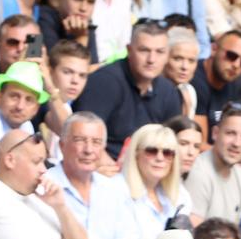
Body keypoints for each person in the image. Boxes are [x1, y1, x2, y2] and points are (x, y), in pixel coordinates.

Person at [75, 21, 181, 158]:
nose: (151, 59)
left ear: (167, 56)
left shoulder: (168, 91)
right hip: (102, 165)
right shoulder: (105, 81)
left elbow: (173, 143)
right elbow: (83, 137)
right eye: (144, 50)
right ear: (129, 50)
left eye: (160, 52)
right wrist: (111, 166)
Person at [48, 112, 135, 239]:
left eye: (96, 142)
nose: (88, 150)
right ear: (62, 145)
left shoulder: (115, 189)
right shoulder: (45, 186)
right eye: (80, 140)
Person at [185, 103, 241, 225]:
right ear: (215, 133)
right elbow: (192, 232)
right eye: (230, 133)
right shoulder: (198, 173)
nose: (236, 143)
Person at [191, 29, 241, 128]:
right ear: (214, 49)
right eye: (231, 55)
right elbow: (200, 137)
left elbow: (239, 129)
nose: (236, 65)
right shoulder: (194, 78)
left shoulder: (239, 83)